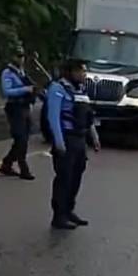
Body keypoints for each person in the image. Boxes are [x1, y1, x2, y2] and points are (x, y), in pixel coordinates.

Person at [46, 59, 100, 230]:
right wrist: (59, 142)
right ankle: (59, 216)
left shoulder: (81, 90)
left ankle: (69, 210)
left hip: (80, 138)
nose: (84, 75)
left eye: (85, 71)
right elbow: (53, 117)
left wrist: (94, 136)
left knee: (76, 177)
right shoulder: (57, 89)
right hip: (66, 138)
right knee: (64, 178)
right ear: (71, 72)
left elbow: (87, 116)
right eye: (81, 71)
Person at [0, 47, 36, 180]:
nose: (21, 59)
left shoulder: (22, 73)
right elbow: (6, 91)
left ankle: (7, 163)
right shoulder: (8, 73)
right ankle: (23, 168)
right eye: (18, 56)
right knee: (20, 138)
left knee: (23, 139)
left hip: (25, 107)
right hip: (14, 107)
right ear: (13, 57)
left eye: (22, 56)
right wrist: (25, 89)